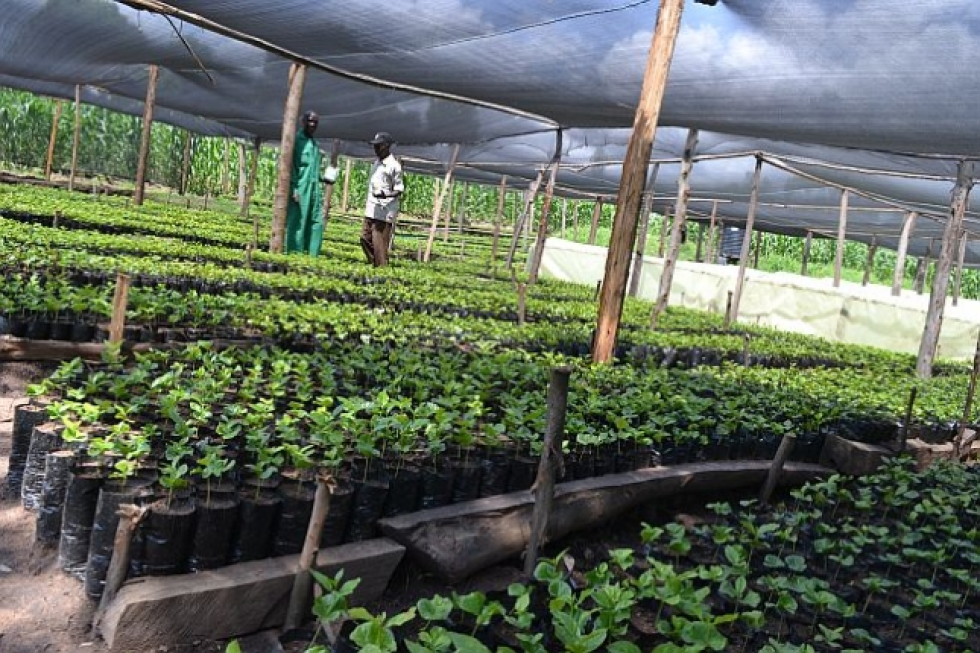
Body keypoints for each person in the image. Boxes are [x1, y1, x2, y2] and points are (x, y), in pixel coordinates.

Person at [286, 110, 329, 257]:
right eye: (310, 121)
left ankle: (312, 256)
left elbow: (313, 170)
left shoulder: (314, 144)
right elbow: (290, 166)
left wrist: (324, 178)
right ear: (303, 122)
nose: (313, 125)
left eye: (315, 122)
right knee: (298, 222)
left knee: (316, 223)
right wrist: (294, 188)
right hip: (300, 188)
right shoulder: (296, 141)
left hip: (314, 190)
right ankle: (293, 254)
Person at [361, 131, 404, 267]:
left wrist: (385, 195)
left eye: (378, 146)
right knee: (364, 237)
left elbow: (399, 190)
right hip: (371, 208)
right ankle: (376, 263)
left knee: (379, 242)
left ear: (386, 146)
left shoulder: (394, 166)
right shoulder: (377, 163)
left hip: (384, 210)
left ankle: (381, 268)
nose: (375, 149)